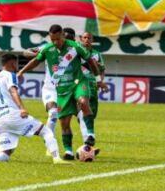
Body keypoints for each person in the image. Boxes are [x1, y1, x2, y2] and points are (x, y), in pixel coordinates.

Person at [0, 53, 70, 165]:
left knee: (3, 156)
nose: (17, 66)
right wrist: (22, 108)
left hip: (0, 121)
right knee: (46, 131)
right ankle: (57, 158)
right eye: (16, 63)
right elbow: (13, 91)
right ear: (12, 63)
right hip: (13, 116)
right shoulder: (10, 75)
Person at [17, 25, 107, 160]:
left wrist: (98, 79)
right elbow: (34, 59)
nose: (55, 42)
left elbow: (91, 62)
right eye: (52, 39)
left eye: (57, 39)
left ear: (63, 37)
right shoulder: (47, 48)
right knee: (63, 121)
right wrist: (21, 71)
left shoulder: (75, 47)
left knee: (83, 103)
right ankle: (68, 151)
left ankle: (90, 137)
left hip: (77, 83)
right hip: (59, 88)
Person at [78, 32, 106, 144]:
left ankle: (87, 130)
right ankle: (88, 138)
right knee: (83, 107)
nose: (87, 40)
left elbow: (102, 69)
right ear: (81, 39)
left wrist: (100, 81)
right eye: (84, 37)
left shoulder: (97, 54)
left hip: (93, 85)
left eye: (89, 38)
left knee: (92, 113)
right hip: (80, 83)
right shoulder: (77, 52)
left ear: (92, 40)